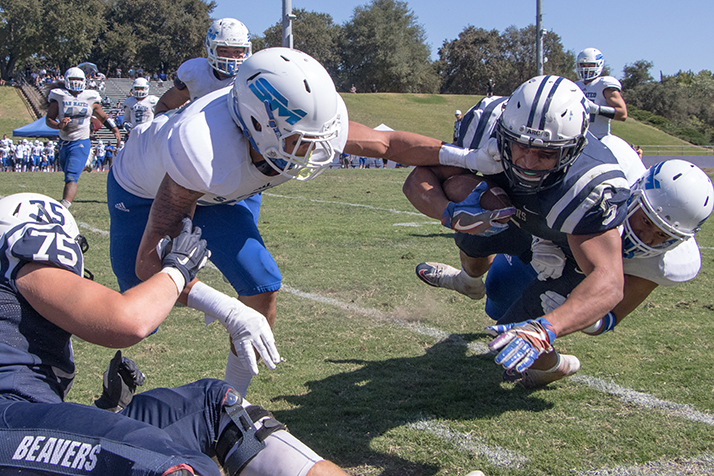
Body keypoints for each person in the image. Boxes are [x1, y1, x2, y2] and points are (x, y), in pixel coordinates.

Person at [107, 47, 501, 396]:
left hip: (224, 190)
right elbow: (151, 261)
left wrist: (468, 158)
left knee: (260, 286)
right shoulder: (202, 147)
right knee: (139, 316)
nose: (317, 149)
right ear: (257, 124)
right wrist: (225, 307)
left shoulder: (297, 121)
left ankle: (231, 403)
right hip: (144, 191)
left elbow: (388, 143)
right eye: (301, 140)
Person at [0, 192, 350, 476]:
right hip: (10, 424)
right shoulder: (23, 252)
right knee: (175, 469)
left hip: (23, 423)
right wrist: (178, 270)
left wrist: (106, 410)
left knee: (218, 408)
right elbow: (127, 321)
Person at [405, 75, 631, 380]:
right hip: (519, 221)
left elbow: (609, 281)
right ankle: (467, 281)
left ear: (572, 150)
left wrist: (545, 330)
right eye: (519, 146)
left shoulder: (589, 183)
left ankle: (557, 367)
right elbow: (422, 173)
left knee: (507, 336)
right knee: (465, 198)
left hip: (565, 252)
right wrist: (449, 213)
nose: (527, 160)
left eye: (546, 153)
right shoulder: (485, 127)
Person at [481, 160, 714, 387]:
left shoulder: (664, 264)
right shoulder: (605, 179)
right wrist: (543, 239)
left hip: (581, 275)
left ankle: (557, 366)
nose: (647, 237)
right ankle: (465, 279)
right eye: (646, 220)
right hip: (555, 242)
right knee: (497, 288)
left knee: (511, 332)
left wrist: (582, 316)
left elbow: (611, 318)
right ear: (634, 194)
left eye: (664, 235)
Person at [46, 67, 121, 208]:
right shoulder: (59, 95)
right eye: (72, 80)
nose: (75, 83)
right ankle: (86, 160)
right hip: (64, 141)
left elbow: (103, 116)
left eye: (78, 80)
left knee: (71, 177)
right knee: (66, 170)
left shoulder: (90, 96)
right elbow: (49, 118)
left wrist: (115, 129)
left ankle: (64, 206)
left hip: (81, 140)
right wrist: (58, 125)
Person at [155, 17, 252, 114]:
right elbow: (165, 105)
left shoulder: (251, 77)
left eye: (237, 51)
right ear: (211, 49)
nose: (231, 57)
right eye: (224, 51)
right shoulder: (196, 74)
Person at [575, 48, 627, 139]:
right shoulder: (575, 86)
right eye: (583, 65)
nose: (586, 69)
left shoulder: (604, 84)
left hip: (599, 139)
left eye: (591, 65)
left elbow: (622, 114)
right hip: (576, 140)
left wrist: (596, 109)